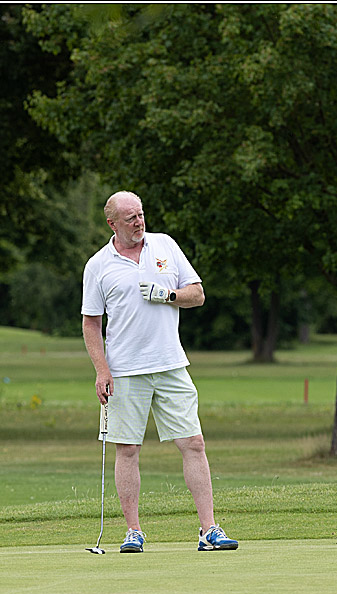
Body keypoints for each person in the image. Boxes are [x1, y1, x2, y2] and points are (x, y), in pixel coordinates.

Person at [81, 190, 238, 554]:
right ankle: (133, 531)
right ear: (113, 224)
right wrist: (101, 370)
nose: (139, 222)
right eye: (130, 218)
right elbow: (91, 323)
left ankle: (209, 529)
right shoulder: (98, 265)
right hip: (124, 371)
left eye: (140, 214)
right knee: (128, 449)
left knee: (193, 443)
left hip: (170, 363)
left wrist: (167, 296)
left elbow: (197, 294)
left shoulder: (164, 246)